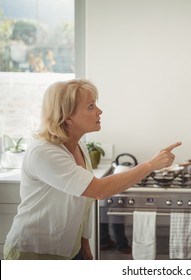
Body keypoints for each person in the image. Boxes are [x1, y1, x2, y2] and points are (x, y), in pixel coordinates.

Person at [3, 79, 181, 260]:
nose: (99, 111)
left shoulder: (80, 147)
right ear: (67, 117)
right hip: (33, 253)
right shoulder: (43, 152)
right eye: (90, 106)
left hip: (70, 251)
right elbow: (99, 190)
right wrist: (150, 165)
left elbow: (82, 203)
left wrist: (84, 248)